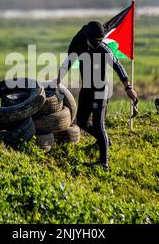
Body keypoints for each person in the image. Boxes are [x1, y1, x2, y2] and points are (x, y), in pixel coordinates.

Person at [55, 21, 138, 171]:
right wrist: (57, 80)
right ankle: (104, 140)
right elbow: (68, 62)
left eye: (100, 41)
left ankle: (103, 163)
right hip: (86, 89)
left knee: (99, 125)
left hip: (100, 91)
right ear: (87, 37)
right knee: (81, 121)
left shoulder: (103, 49)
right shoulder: (79, 46)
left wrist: (128, 87)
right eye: (95, 41)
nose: (97, 43)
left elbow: (118, 66)